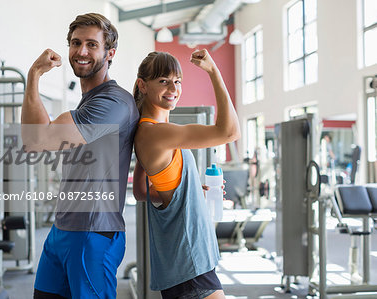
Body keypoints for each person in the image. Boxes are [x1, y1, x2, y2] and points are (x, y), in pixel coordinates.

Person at [21, 13, 139, 298]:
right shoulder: (89, 101)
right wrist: (33, 76)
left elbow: (40, 139)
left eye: (91, 44)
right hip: (64, 228)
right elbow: (31, 139)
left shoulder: (113, 103)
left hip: (93, 233)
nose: (81, 51)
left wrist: (34, 74)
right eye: (75, 43)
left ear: (110, 53)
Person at [132, 50, 240, 298]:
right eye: (163, 81)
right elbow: (229, 132)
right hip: (189, 261)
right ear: (143, 85)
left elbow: (141, 191)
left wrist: (187, 193)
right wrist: (214, 71)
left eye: (177, 81)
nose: (173, 88)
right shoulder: (157, 133)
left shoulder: (147, 131)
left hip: (184, 260)